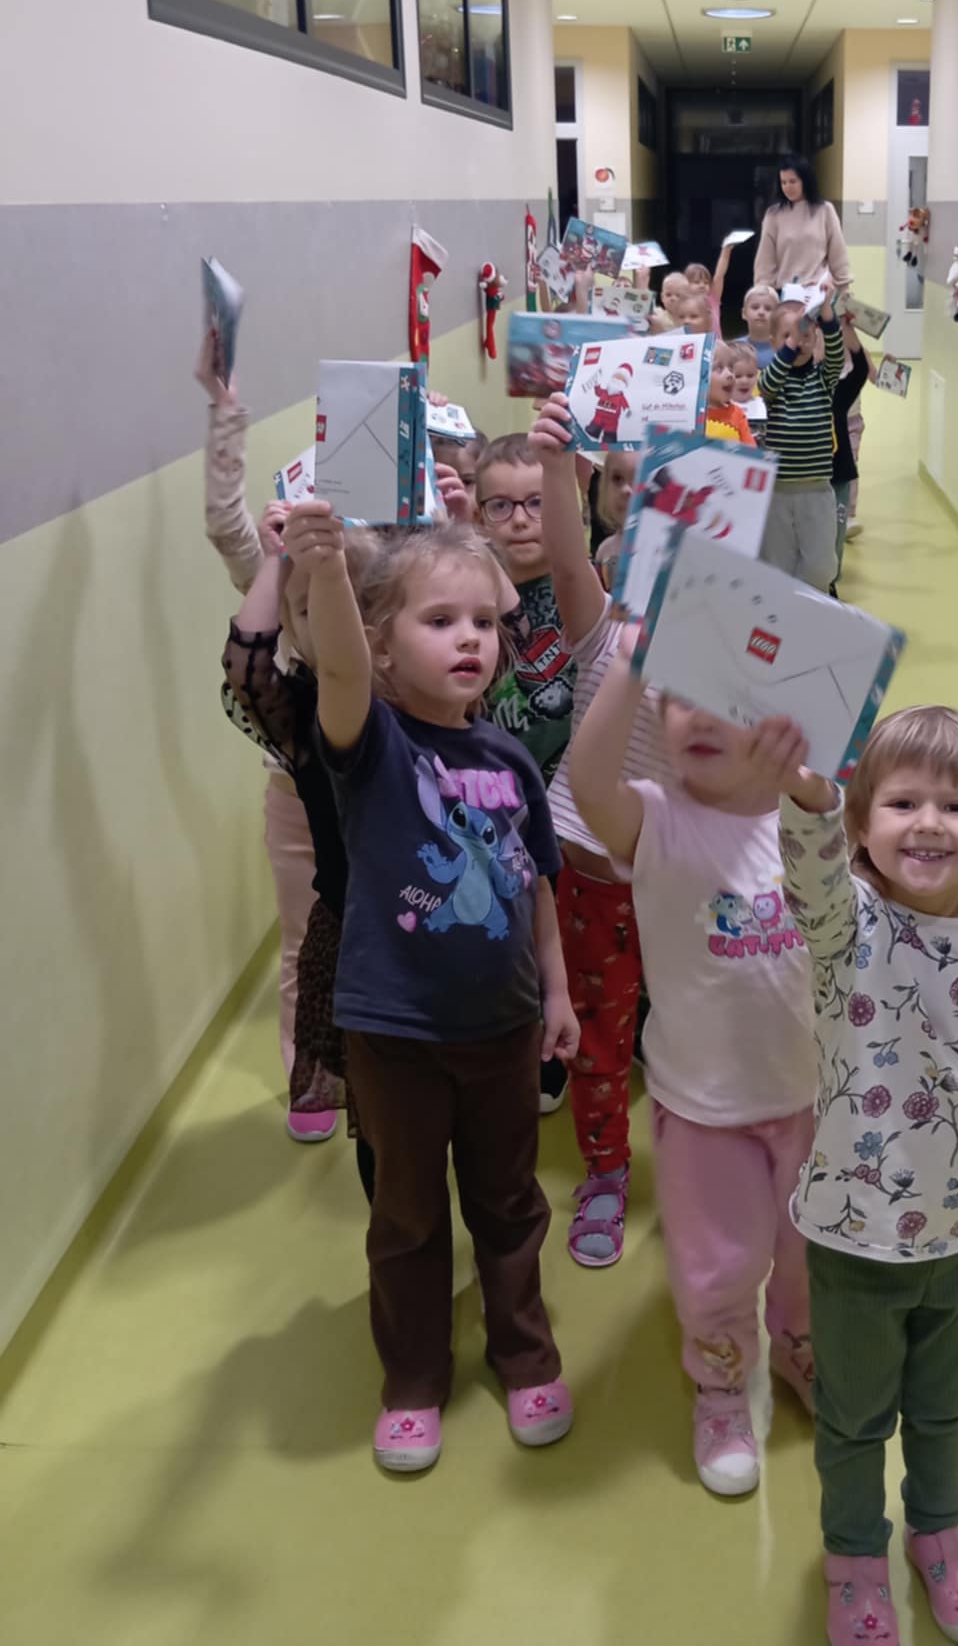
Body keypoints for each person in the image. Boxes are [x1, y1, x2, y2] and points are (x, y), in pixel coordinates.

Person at [282, 505, 581, 1476]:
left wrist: (559, 996)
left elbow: (537, 885)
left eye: (483, 622)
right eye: (440, 620)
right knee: (408, 1215)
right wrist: (328, 572)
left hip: (502, 1027)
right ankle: (412, 1377)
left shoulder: (511, 759)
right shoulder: (374, 745)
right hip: (396, 1033)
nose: (470, 639)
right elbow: (336, 670)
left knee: (510, 1202)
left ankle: (524, 1353)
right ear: (382, 643)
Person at [772, 707, 958, 1646]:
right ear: (862, 824)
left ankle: (938, 1534)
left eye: (957, 804)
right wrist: (808, 796)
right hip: (855, 1240)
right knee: (854, 1419)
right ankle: (855, 1556)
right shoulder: (847, 927)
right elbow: (811, 875)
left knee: (948, 1409)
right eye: (902, 803)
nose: (930, 823)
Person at [569, 659, 817, 1496]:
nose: (697, 718)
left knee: (809, 1253)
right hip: (706, 1107)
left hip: (809, 1097)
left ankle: (799, 1347)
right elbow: (587, 781)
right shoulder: (657, 818)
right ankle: (720, 1386)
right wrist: (634, 661)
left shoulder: (811, 818)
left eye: (728, 702)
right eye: (679, 700)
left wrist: (814, 788)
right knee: (718, 1266)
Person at [528, 395, 670, 1268]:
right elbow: (566, 557)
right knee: (601, 1041)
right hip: (591, 881)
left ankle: (704, 1168)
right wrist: (556, 466)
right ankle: (607, 1170)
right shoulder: (606, 628)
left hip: (685, 889)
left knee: (689, 1041)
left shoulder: (733, 659)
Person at [221, 500, 380, 1186]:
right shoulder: (303, 714)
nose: (339, 625)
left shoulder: (419, 693)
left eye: (355, 605)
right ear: (290, 624)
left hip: (421, 929)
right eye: (312, 611)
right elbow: (248, 667)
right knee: (304, 946)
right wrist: (277, 562)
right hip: (325, 870)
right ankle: (314, 1078)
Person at [195, 332, 320, 1135]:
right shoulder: (275, 575)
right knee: (304, 940)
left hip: (379, 781)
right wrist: (225, 413)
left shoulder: (380, 574)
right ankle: (309, 1076)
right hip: (297, 793)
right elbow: (224, 525)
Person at [475, 433, 582, 1115]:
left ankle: (596, 1028)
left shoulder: (583, 589)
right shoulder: (471, 597)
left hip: (579, 807)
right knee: (514, 933)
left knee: (582, 927)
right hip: (497, 810)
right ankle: (535, 1040)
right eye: (501, 505)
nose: (520, 520)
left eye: (537, 503)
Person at [761, 284, 845, 589]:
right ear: (773, 343)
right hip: (778, 491)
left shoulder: (822, 378)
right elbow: (767, 386)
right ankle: (782, 610)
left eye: (806, 335)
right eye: (788, 336)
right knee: (777, 564)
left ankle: (814, 601)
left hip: (817, 491)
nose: (798, 341)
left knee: (821, 567)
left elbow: (836, 356)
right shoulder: (772, 380)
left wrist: (827, 315)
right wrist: (791, 343)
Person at [752, 155, 852, 298]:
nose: (788, 187)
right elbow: (765, 261)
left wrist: (845, 288)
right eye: (783, 182)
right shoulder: (773, 215)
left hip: (819, 293)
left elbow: (838, 253)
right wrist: (762, 293)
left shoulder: (825, 210)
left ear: (805, 180)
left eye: (793, 181)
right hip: (785, 294)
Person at [831, 320, 870, 585]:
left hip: (838, 471)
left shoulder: (840, 394)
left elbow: (863, 370)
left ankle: (831, 578)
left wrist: (849, 329)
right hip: (807, 478)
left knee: (835, 528)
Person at [705, 345, 756, 446]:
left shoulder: (737, 415)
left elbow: (751, 453)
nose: (730, 374)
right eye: (719, 368)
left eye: (731, 368)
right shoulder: (687, 416)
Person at [742, 286, 781, 370]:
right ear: (744, 313)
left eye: (768, 309)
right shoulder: (734, 348)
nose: (761, 312)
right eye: (755, 307)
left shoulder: (783, 351)